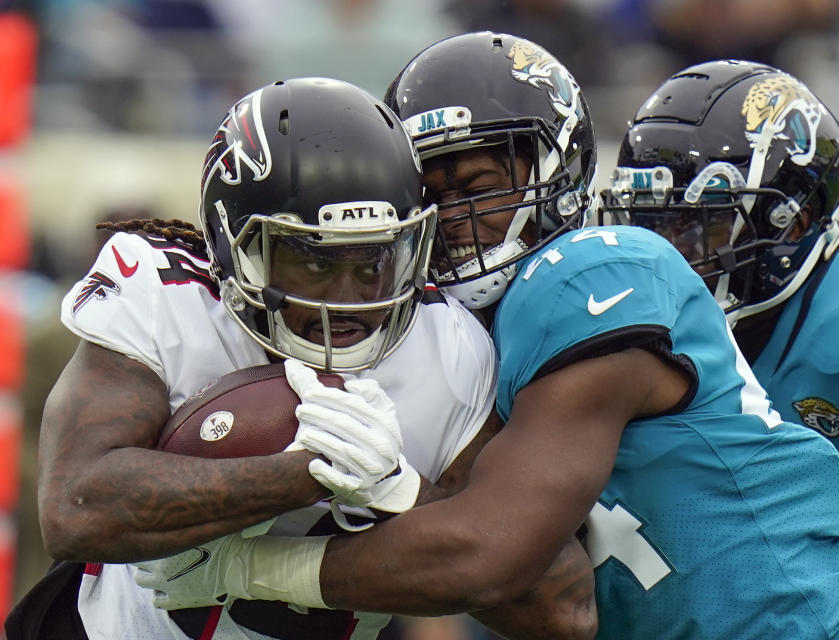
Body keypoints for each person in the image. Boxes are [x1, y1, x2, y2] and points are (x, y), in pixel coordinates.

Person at [132, 33, 839, 639]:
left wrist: (253, 569)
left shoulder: (594, 272)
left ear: (553, 169)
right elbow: (553, 607)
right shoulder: (449, 334)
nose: (458, 217)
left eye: (481, 182)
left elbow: (490, 551)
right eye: (435, 190)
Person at [7, 77, 596, 640]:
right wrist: (308, 472)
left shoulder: (447, 348)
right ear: (233, 247)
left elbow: (559, 606)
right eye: (314, 260)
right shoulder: (170, 297)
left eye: (373, 264)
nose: (347, 299)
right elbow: (76, 506)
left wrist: (397, 488)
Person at [600, 59, 839, 637]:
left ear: (795, 221)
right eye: (650, 226)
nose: (670, 254)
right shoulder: (625, 318)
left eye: (702, 227)